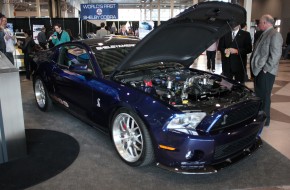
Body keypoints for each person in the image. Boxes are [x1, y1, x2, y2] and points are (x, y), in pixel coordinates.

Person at [251, 14, 283, 127]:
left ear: (265, 22)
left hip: (266, 72)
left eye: (260, 22)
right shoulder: (264, 33)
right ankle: (260, 116)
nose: (258, 24)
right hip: (259, 70)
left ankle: (265, 120)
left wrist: (266, 69)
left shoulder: (275, 34)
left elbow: (276, 55)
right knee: (259, 94)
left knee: (264, 96)